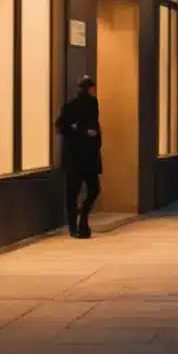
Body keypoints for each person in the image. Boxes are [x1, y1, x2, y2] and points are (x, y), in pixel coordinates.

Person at [55, 75, 103, 238]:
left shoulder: (93, 103)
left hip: (89, 155)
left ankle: (82, 215)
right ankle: (73, 226)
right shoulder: (70, 106)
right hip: (75, 156)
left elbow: (94, 125)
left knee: (93, 189)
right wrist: (80, 130)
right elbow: (62, 126)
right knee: (73, 192)